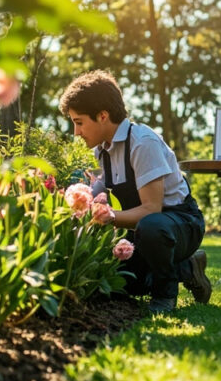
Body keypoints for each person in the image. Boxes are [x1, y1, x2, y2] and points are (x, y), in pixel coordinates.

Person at [59, 70, 211, 314]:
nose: (76, 132)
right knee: (124, 282)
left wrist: (109, 216)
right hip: (143, 229)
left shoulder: (142, 142)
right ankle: (187, 269)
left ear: (102, 116)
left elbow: (152, 209)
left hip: (180, 223)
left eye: (79, 122)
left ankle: (165, 295)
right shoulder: (101, 151)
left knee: (152, 227)